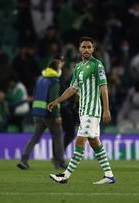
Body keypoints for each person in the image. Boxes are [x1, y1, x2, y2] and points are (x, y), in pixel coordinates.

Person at [49, 36, 115, 184]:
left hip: (93, 110)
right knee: (94, 142)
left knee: (79, 141)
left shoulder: (97, 65)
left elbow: (103, 88)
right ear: (79, 49)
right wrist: (57, 101)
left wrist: (106, 109)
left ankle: (65, 176)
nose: (86, 49)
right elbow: (72, 89)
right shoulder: (78, 67)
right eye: (83, 47)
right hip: (83, 110)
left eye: (89, 47)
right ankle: (109, 175)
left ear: (93, 49)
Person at [17, 57, 66, 170]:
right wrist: (57, 115)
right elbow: (53, 100)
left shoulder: (40, 79)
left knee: (35, 137)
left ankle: (24, 160)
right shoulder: (54, 81)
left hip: (37, 113)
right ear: (56, 69)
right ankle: (60, 161)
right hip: (49, 114)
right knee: (58, 136)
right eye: (59, 67)